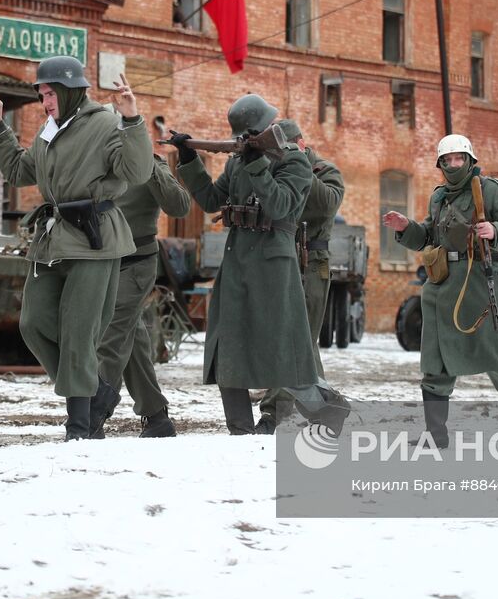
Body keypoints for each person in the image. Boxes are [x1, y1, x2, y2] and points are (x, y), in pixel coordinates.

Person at [0, 57, 151, 441]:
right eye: (41, 94)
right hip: (53, 238)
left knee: (78, 332)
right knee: (34, 323)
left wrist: (132, 120)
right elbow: (20, 171)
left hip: (94, 238)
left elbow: (137, 172)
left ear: (71, 90)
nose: (45, 101)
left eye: (50, 93)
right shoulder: (48, 129)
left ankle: (79, 426)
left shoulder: (106, 124)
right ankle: (97, 394)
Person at [169, 95, 348, 436]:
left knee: (283, 352)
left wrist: (257, 164)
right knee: (227, 345)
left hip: (275, 264)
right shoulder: (237, 163)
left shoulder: (295, 161)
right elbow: (210, 200)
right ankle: (240, 429)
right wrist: (190, 159)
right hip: (237, 260)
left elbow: (281, 205)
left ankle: (328, 411)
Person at [382, 134, 498, 447]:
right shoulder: (440, 197)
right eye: (448, 160)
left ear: (470, 160)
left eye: (459, 159)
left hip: (481, 287)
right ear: (441, 164)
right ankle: (436, 435)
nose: (454, 165)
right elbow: (430, 234)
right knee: (435, 364)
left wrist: (496, 231)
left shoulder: (491, 190)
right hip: (441, 289)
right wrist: (405, 228)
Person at [90, 143, 192, 438]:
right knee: (131, 339)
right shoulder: (97, 160)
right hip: (104, 261)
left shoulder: (152, 165)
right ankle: (157, 417)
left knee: (111, 334)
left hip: (136, 263)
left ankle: (93, 414)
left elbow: (180, 205)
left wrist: (147, 164)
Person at [258, 119, 347, 432]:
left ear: (301, 144)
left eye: (285, 148)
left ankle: (272, 412)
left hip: (311, 264)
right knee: (295, 343)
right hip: (279, 261)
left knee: (299, 341)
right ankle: (327, 408)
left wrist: (299, 165)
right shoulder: (273, 171)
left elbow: (324, 205)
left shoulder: (324, 170)